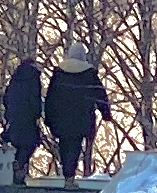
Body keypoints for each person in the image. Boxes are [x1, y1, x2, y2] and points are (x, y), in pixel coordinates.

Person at [44, 51, 112, 179]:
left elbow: (51, 98)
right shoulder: (89, 74)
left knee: (64, 144)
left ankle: (67, 172)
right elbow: (100, 94)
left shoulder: (59, 74)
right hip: (82, 117)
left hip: (61, 117)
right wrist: (106, 113)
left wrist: (49, 118)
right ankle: (70, 174)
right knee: (75, 145)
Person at [0, 57, 46, 178]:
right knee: (30, 143)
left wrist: (9, 111)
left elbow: (6, 97)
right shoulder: (33, 77)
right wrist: (37, 112)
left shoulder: (15, 78)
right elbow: (35, 98)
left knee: (19, 142)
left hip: (14, 115)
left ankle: (18, 171)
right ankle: (19, 166)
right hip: (28, 116)